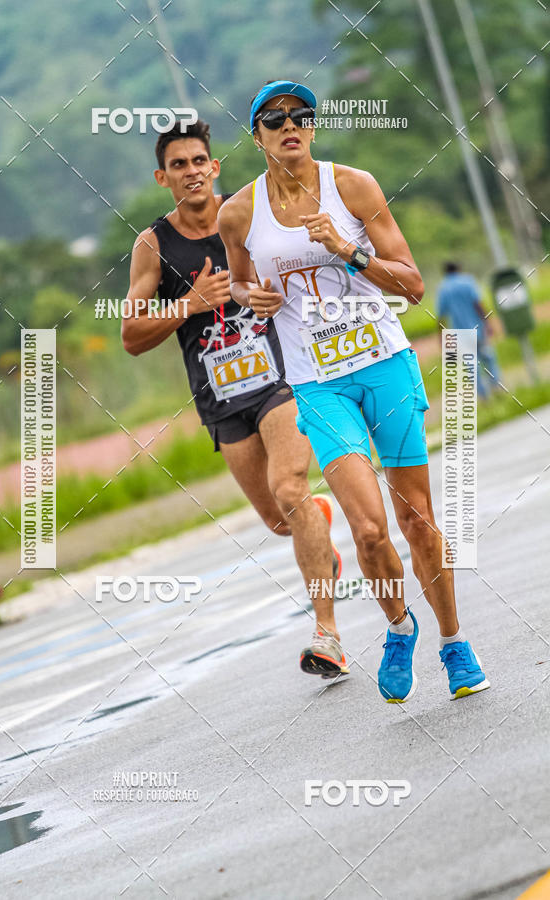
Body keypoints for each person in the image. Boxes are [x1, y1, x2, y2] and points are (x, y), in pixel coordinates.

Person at [218, 80, 490, 701]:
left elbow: (413, 285)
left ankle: (454, 642)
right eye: (274, 118)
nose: (291, 125)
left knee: (415, 519)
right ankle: (399, 628)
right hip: (317, 382)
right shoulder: (239, 213)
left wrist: (346, 251)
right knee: (369, 531)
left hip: (383, 365)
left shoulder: (353, 187)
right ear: (256, 134)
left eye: (302, 116)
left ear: (312, 127)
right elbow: (238, 285)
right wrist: (250, 297)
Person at [122, 118, 347, 678]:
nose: (192, 172)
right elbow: (130, 334)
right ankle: (316, 530)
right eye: (179, 165)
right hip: (221, 400)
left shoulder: (246, 213)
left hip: (282, 378)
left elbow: (302, 262)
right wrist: (191, 304)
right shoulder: (153, 245)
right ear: (163, 177)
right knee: (280, 518)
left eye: (199, 161)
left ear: (214, 166)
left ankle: (329, 635)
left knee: (290, 487)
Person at [436, 262, 502, 398]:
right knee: (488, 357)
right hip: (478, 328)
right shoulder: (468, 281)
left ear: (445, 273)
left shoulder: (443, 288)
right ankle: (496, 388)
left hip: (460, 333)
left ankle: (483, 396)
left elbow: (441, 316)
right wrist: (488, 323)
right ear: (459, 269)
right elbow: (478, 304)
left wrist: (441, 337)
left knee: (471, 365)